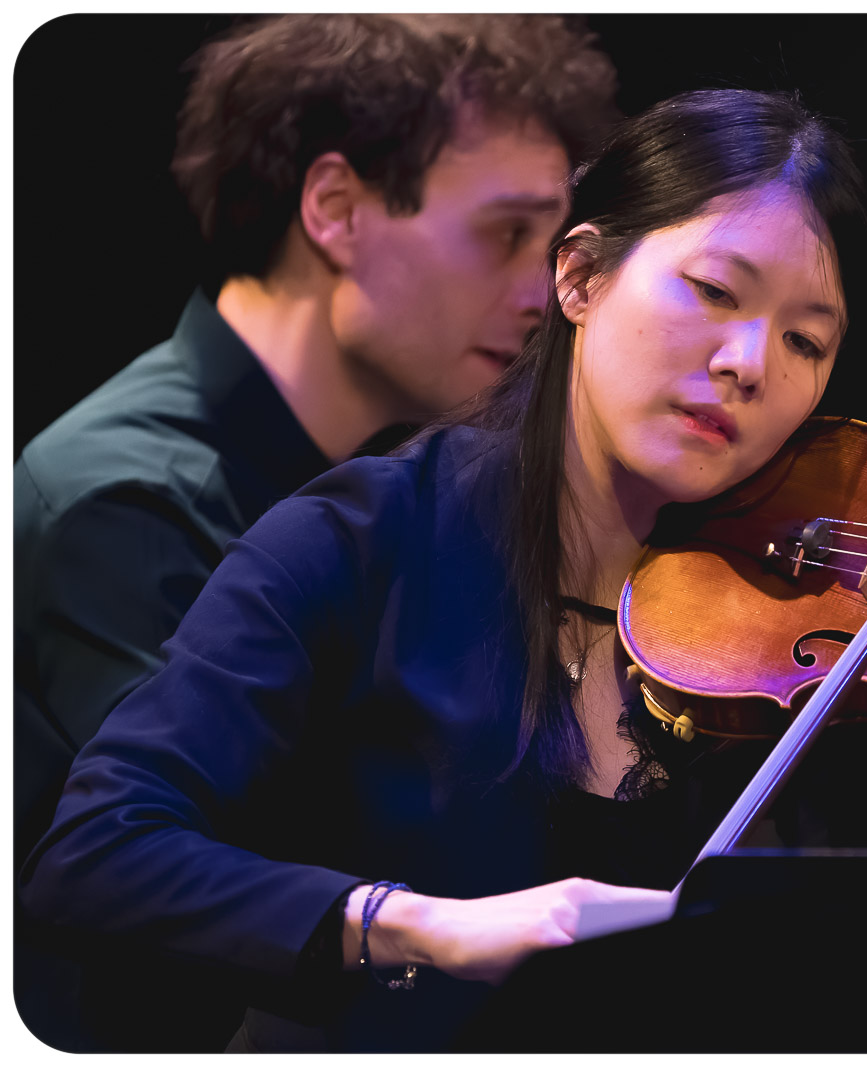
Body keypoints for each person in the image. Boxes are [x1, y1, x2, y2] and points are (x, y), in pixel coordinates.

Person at [20, 89, 867, 1053]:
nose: (750, 363)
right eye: (716, 292)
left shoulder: (844, 634)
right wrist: (421, 924)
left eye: (807, 338)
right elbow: (98, 850)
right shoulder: (359, 539)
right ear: (584, 275)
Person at [12, 13, 617, 1051]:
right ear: (336, 208)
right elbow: (209, 854)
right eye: (505, 233)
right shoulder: (123, 497)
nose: (540, 296)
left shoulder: (396, 481)